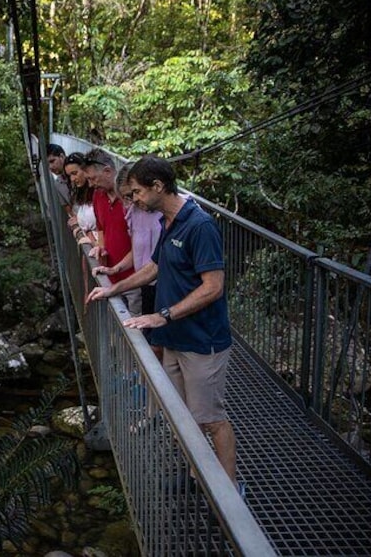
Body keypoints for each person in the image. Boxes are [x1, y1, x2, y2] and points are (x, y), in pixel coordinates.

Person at [85, 155, 239, 490]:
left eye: (138, 192)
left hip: (202, 342)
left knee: (211, 419)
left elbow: (213, 287)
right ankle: (196, 474)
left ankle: (230, 491)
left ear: (158, 186)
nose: (134, 200)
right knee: (183, 415)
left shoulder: (199, 226)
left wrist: (161, 315)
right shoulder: (167, 222)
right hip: (174, 338)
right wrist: (112, 287)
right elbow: (153, 267)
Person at [82, 148, 140, 315]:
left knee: (137, 328)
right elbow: (100, 226)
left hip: (135, 278)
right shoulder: (97, 195)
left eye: (93, 178)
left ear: (107, 171)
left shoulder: (133, 200)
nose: (91, 184)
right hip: (111, 276)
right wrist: (100, 246)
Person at [63, 152, 96, 246]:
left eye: (74, 173)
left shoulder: (99, 192)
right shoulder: (81, 194)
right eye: (69, 175)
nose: (72, 179)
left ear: (85, 170)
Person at [46, 143, 71, 210]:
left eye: (52, 161)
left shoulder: (80, 171)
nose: (50, 167)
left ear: (62, 157)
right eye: (47, 164)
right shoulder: (58, 184)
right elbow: (68, 208)